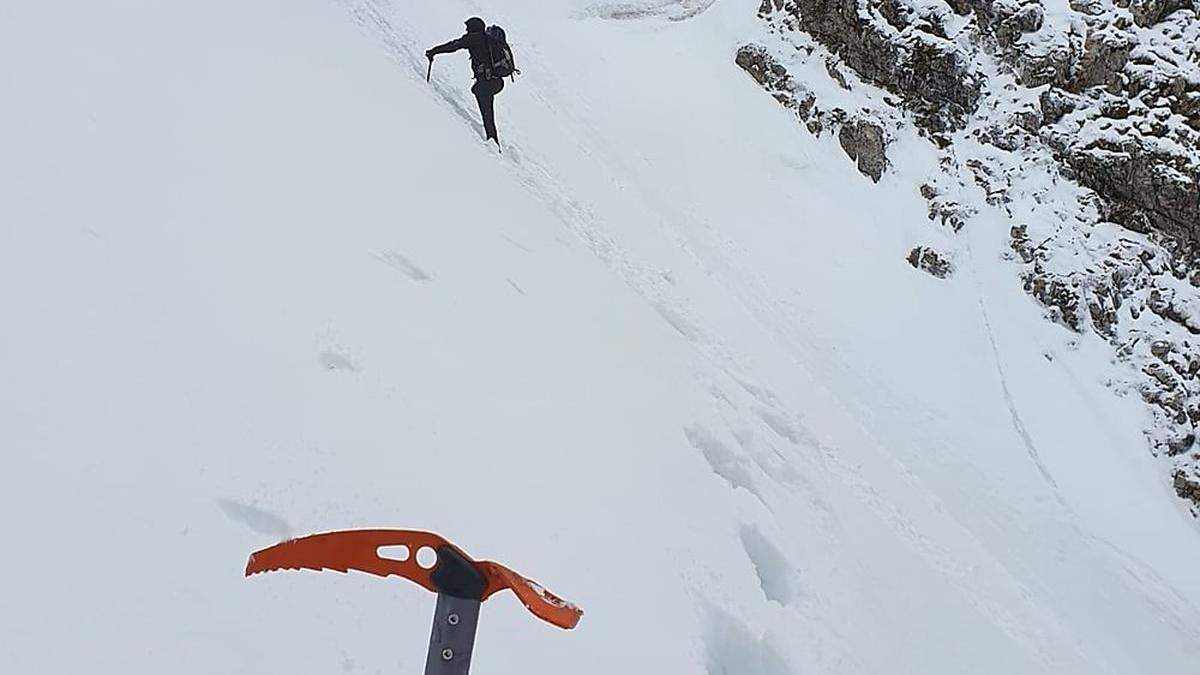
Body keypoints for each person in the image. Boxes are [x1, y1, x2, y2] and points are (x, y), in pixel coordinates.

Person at [426, 17, 505, 146]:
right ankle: (493, 141)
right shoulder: (486, 39)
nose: (466, 30)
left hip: (486, 83)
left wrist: (434, 51)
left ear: (474, 27)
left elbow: (453, 45)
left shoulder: (475, 38)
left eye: (468, 27)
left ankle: (493, 144)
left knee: (487, 114)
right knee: (488, 114)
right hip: (495, 82)